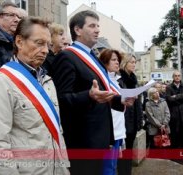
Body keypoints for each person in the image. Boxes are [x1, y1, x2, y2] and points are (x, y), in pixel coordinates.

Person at [0, 17, 70, 175]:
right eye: (39, 43)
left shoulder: (48, 81)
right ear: (19, 42)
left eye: (47, 45)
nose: (45, 50)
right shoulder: (1, 82)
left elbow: (57, 133)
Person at [52, 10, 124, 175]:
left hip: (100, 137)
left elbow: (102, 94)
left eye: (98, 26)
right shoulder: (67, 57)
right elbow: (61, 99)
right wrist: (88, 95)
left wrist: (121, 100)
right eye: (92, 26)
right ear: (77, 30)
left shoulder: (93, 57)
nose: (97, 30)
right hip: (82, 140)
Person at [99, 49, 135, 175]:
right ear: (104, 62)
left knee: (113, 167)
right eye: (113, 60)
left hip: (119, 129)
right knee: (108, 168)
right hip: (109, 131)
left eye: (118, 60)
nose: (117, 63)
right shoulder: (101, 81)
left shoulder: (118, 80)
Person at [117, 54, 143, 175]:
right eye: (131, 62)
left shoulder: (134, 79)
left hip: (133, 120)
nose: (133, 64)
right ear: (125, 63)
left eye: (134, 62)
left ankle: (127, 172)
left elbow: (138, 104)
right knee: (123, 152)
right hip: (123, 120)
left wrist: (139, 120)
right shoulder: (119, 79)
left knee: (129, 151)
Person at [165, 71, 183, 148]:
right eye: (175, 76)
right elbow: (169, 99)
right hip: (174, 114)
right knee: (175, 136)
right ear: (173, 77)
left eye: (179, 75)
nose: (177, 77)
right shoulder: (169, 87)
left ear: (181, 77)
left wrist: (175, 97)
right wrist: (181, 96)